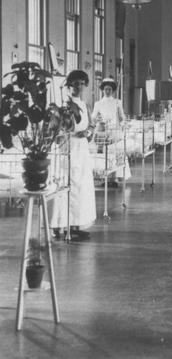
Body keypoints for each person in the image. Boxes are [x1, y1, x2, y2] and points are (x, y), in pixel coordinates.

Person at [50, 70, 97, 240]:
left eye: (81, 84)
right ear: (69, 85)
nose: (78, 87)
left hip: (82, 150)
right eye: (75, 84)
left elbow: (91, 126)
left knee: (81, 185)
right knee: (64, 183)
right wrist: (67, 133)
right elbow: (55, 130)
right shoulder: (63, 105)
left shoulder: (85, 105)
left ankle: (76, 223)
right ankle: (58, 225)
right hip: (66, 148)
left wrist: (88, 133)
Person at [91, 77, 131, 186]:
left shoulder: (118, 102)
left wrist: (123, 123)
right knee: (104, 153)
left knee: (115, 153)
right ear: (103, 90)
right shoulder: (98, 104)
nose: (107, 91)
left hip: (115, 131)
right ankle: (105, 178)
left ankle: (114, 178)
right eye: (106, 89)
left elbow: (122, 117)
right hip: (103, 131)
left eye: (109, 89)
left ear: (112, 90)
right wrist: (97, 120)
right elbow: (93, 117)